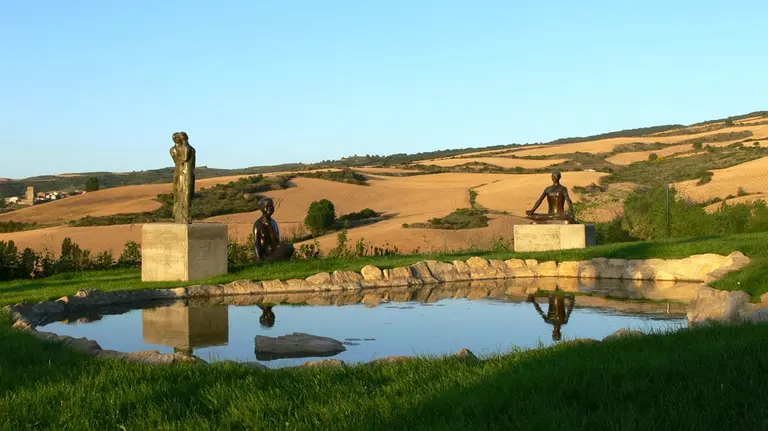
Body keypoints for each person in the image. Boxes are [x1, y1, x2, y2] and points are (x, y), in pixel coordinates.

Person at [253, 197, 295, 262]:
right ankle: (270, 261)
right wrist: (259, 259)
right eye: (267, 206)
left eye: (271, 206)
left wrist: (270, 227)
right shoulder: (258, 224)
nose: (270, 208)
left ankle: (277, 259)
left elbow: (277, 242)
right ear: (261, 208)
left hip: (275, 251)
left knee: (289, 247)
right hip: (266, 254)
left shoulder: (273, 222)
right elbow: (257, 243)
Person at [170, 131, 196, 224]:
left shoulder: (189, 148)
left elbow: (185, 156)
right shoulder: (174, 149)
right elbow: (185, 158)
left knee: (188, 193)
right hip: (181, 172)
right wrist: (185, 142)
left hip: (188, 172)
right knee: (180, 192)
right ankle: (181, 215)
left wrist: (185, 142)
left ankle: (185, 214)